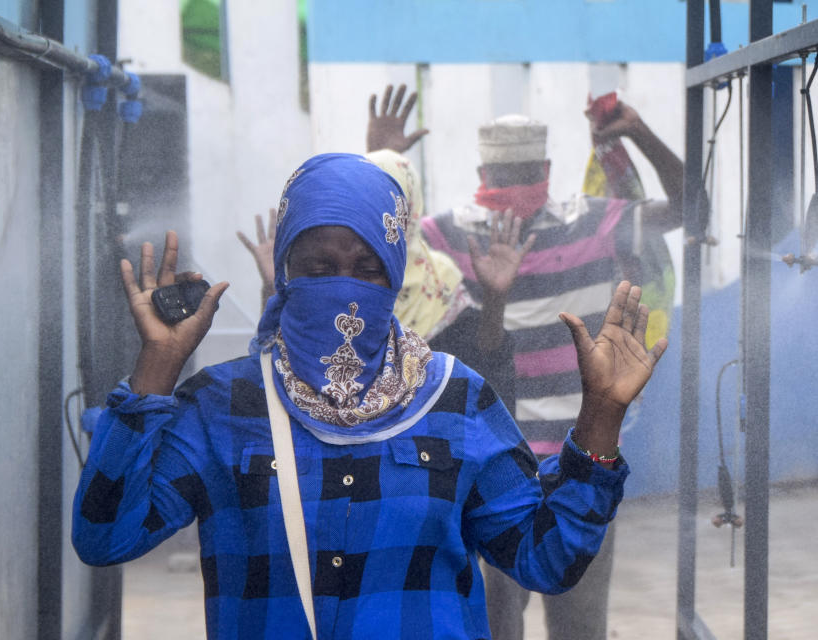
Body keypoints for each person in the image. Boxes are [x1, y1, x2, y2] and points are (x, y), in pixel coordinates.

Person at [72, 152, 667, 639]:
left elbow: (547, 560)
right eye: (319, 265)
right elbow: (107, 537)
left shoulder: (456, 400)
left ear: (395, 271)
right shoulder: (222, 407)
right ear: (284, 272)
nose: (345, 287)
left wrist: (601, 415)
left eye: (367, 268)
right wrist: (157, 364)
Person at [396, 93, 686, 639]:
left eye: (522, 172)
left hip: (572, 464)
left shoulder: (596, 221)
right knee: (506, 625)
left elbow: (693, 207)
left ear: (546, 169)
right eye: (508, 174)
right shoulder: (440, 239)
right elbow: (380, 246)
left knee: (569, 625)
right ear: (485, 171)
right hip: (499, 473)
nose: (515, 186)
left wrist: (637, 134)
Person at [237, 146, 532, 411]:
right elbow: (274, 356)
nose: (347, 291)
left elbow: (486, 377)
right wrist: (275, 286)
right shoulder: (230, 397)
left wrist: (495, 300)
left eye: (368, 270)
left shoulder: (441, 289)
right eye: (319, 271)